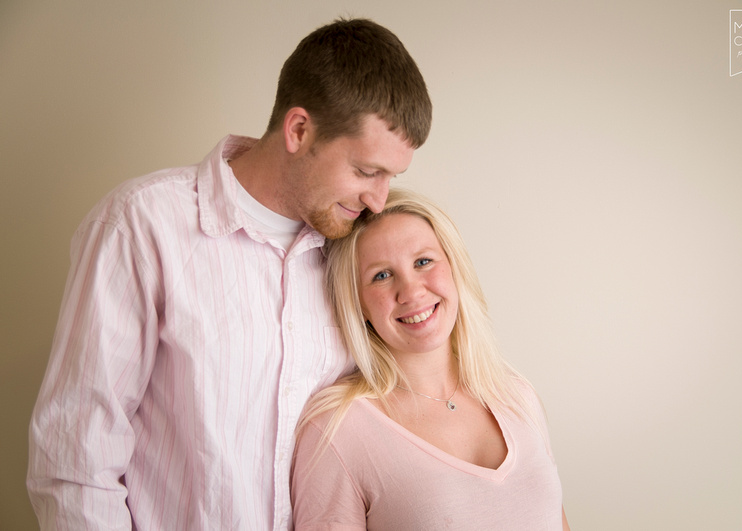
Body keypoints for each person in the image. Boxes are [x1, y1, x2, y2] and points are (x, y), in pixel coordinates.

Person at [27, 18, 432, 530]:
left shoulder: (360, 254)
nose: (379, 198)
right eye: (367, 171)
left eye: (391, 177)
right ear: (299, 130)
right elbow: (76, 462)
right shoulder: (142, 225)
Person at [291, 188, 570, 530]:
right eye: (381, 275)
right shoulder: (335, 431)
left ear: (454, 267)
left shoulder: (517, 396)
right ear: (359, 303)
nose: (411, 291)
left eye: (423, 262)